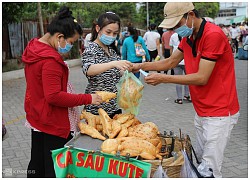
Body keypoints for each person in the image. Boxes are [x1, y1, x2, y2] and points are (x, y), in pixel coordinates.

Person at [132, 2, 240, 178]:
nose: (175, 30)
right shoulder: (188, 37)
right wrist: (139, 65)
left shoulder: (213, 35)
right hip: (202, 110)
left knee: (210, 170)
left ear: (190, 15)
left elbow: (201, 77)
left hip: (220, 112)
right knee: (201, 164)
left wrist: (163, 78)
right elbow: (170, 62)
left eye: (177, 25)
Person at [22, 6, 102, 178]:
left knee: (37, 165)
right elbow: (54, 96)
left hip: (37, 117)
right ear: (59, 37)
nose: (70, 47)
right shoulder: (50, 60)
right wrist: (88, 98)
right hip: (53, 123)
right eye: (71, 42)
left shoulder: (34, 49)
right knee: (54, 170)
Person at [81, 12, 132, 118]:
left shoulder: (111, 50)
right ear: (98, 28)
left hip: (114, 106)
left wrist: (126, 70)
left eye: (115, 33)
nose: (111, 36)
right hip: (97, 108)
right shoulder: (91, 49)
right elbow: (88, 69)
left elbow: (117, 72)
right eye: (108, 32)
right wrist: (113, 64)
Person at [169, 32, 191, 104]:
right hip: (187, 61)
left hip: (176, 61)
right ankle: (186, 95)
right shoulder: (188, 35)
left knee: (178, 80)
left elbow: (171, 49)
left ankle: (179, 98)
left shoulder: (173, 36)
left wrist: (171, 59)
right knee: (188, 80)